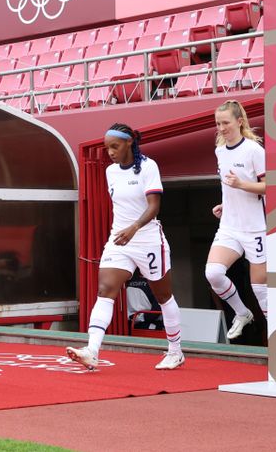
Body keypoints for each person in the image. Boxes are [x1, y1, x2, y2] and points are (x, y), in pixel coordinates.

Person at [67, 123, 184, 371]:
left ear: (129, 142)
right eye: (107, 147)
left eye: (115, 146)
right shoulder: (111, 171)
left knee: (163, 296)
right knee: (105, 289)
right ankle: (92, 350)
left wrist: (134, 228)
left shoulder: (149, 167)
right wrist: (125, 232)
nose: (110, 152)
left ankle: (175, 351)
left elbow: (154, 207)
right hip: (120, 240)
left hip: (148, 239)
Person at [205, 100, 267, 340]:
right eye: (218, 123)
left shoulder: (254, 150)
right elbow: (229, 188)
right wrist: (225, 204)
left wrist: (242, 185)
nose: (221, 128)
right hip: (230, 226)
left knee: (260, 289)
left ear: (239, 122)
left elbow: (269, 186)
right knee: (213, 274)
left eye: (226, 123)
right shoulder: (220, 151)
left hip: (255, 228)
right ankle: (242, 313)